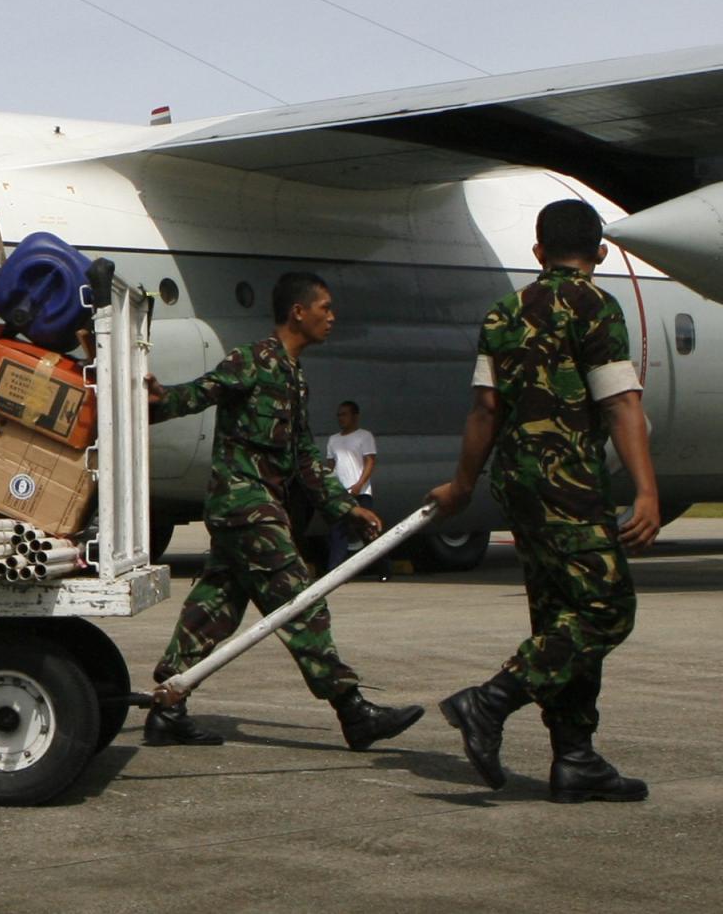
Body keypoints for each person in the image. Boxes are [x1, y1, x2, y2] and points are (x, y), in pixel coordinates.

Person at [430, 199, 660, 803]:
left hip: (519, 485)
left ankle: (575, 758)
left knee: (559, 617)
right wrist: (647, 491)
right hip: (570, 482)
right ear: (600, 253)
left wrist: (462, 484)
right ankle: (490, 701)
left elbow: (484, 409)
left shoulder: (504, 312)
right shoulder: (595, 304)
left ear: (537, 253)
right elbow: (618, 403)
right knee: (606, 610)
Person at [141, 271, 424, 750]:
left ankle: (168, 707)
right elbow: (199, 392)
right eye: (325, 308)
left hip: (257, 507)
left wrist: (346, 507)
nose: (331, 317)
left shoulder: (294, 375)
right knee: (301, 602)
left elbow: (304, 457)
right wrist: (158, 399)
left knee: (211, 611)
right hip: (244, 505)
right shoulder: (252, 361)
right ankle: (353, 711)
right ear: (299, 311)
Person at [324, 401, 386, 579]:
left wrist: (360, 483)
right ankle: (334, 572)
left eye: (344, 414)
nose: (341, 418)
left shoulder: (364, 436)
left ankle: (383, 568)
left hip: (360, 492)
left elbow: (370, 461)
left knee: (367, 532)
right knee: (338, 530)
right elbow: (331, 465)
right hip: (340, 493)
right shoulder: (333, 439)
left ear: (355, 416)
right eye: (339, 415)